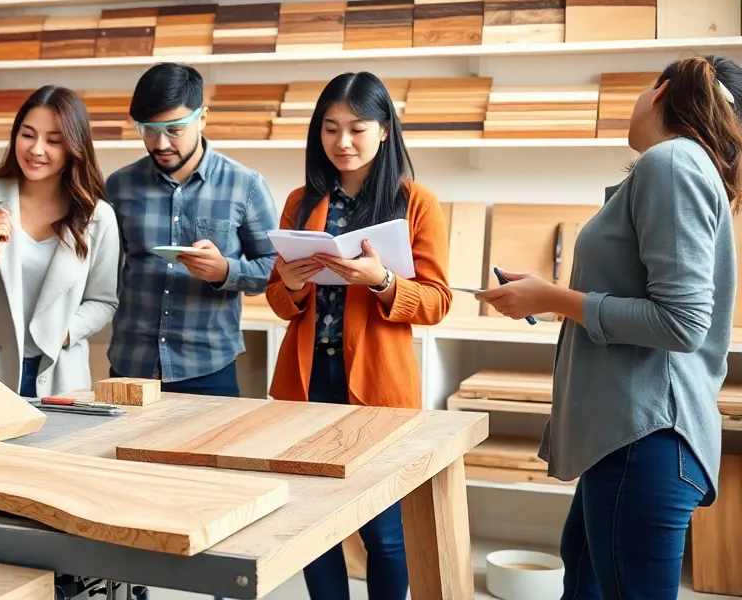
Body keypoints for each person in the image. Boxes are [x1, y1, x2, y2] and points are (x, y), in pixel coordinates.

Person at [476, 55, 741, 600]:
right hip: (633, 440)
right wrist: (550, 296)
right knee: (585, 577)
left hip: (644, 438)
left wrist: (552, 297)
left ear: (663, 93)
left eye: (645, 87)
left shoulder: (671, 163)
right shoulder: (681, 167)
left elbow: (682, 322)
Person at [265, 71, 452, 600]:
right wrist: (292, 284)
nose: (342, 142)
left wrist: (385, 282)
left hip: (376, 385)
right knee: (310, 524)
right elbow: (278, 301)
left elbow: (437, 301)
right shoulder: (302, 200)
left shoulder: (415, 201)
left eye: (356, 128)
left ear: (386, 130)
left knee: (384, 532)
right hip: (305, 381)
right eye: (329, 128)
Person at [0, 86, 119, 397]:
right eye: (28, 135)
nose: (36, 149)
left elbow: (103, 301)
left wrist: (65, 332)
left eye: (53, 140)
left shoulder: (98, 217)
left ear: (74, 146)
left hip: (57, 373)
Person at [105, 62, 279, 397]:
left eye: (174, 129)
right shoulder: (119, 186)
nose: (160, 143)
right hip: (130, 364)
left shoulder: (245, 185)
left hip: (209, 365)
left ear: (202, 117)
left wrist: (225, 271)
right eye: (149, 130)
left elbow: (276, 269)